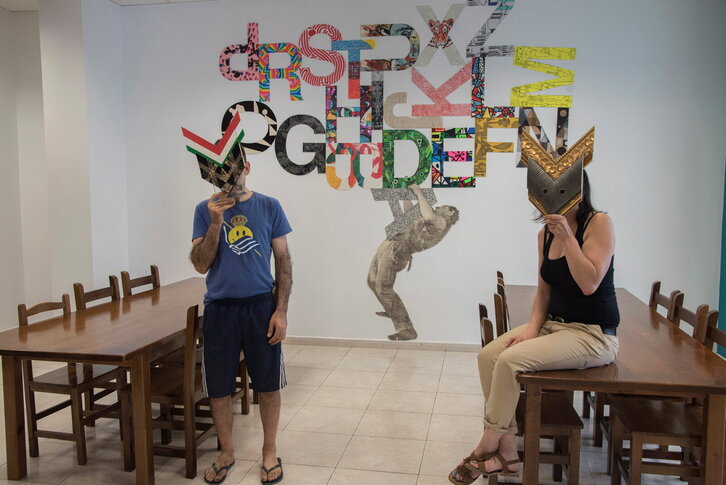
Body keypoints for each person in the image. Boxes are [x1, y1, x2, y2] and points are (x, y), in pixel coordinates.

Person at [449, 171, 619, 483]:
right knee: (488, 356)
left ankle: (486, 445)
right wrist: (531, 329)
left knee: (510, 361)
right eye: (547, 190)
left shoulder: (599, 223)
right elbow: (543, 292)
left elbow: (590, 284)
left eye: (562, 188)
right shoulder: (544, 235)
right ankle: (509, 452)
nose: (553, 196)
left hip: (593, 335)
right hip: (553, 325)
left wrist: (568, 238)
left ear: (578, 189)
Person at [190, 155, 292, 485]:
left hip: (260, 307)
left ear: (246, 168)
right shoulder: (204, 210)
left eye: (233, 169)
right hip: (220, 310)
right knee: (219, 387)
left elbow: (283, 261)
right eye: (220, 172)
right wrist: (215, 222)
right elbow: (200, 264)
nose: (228, 177)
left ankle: (269, 452)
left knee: (268, 385)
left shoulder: (269, 206)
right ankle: (227, 452)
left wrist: (280, 311)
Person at [368, 184, 459, 341]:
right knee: (372, 281)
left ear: (450, 212)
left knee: (383, 287)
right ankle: (393, 310)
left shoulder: (443, 223)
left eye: (443, 207)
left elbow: (430, 216)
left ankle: (406, 329)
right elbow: (409, 215)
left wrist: (418, 192)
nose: (439, 206)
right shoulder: (428, 218)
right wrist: (406, 195)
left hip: (398, 250)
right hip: (391, 243)